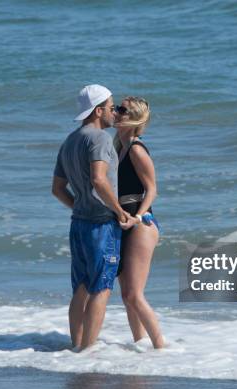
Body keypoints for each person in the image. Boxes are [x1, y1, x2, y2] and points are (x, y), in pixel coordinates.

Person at [52, 84, 135, 351]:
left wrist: (79, 205)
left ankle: (76, 346)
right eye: (112, 108)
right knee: (101, 288)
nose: (115, 113)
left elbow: (57, 189)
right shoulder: (99, 139)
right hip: (101, 224)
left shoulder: (70, 140)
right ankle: (87, 350)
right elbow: (100, 180)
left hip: (79, 222)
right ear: (98, 111)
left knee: (82, 286)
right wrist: (118, 211)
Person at [113, 96, 164, 349]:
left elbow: (152, 189)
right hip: (122, 222)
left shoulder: (136, 148)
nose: (115, 111)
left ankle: (161, 348)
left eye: (121, 109)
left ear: (132, 117)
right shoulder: (119, 146)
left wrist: (140, 215)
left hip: (142, 224)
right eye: (115, 108)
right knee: (126, 296)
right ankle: (140, 345)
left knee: (134, 294)